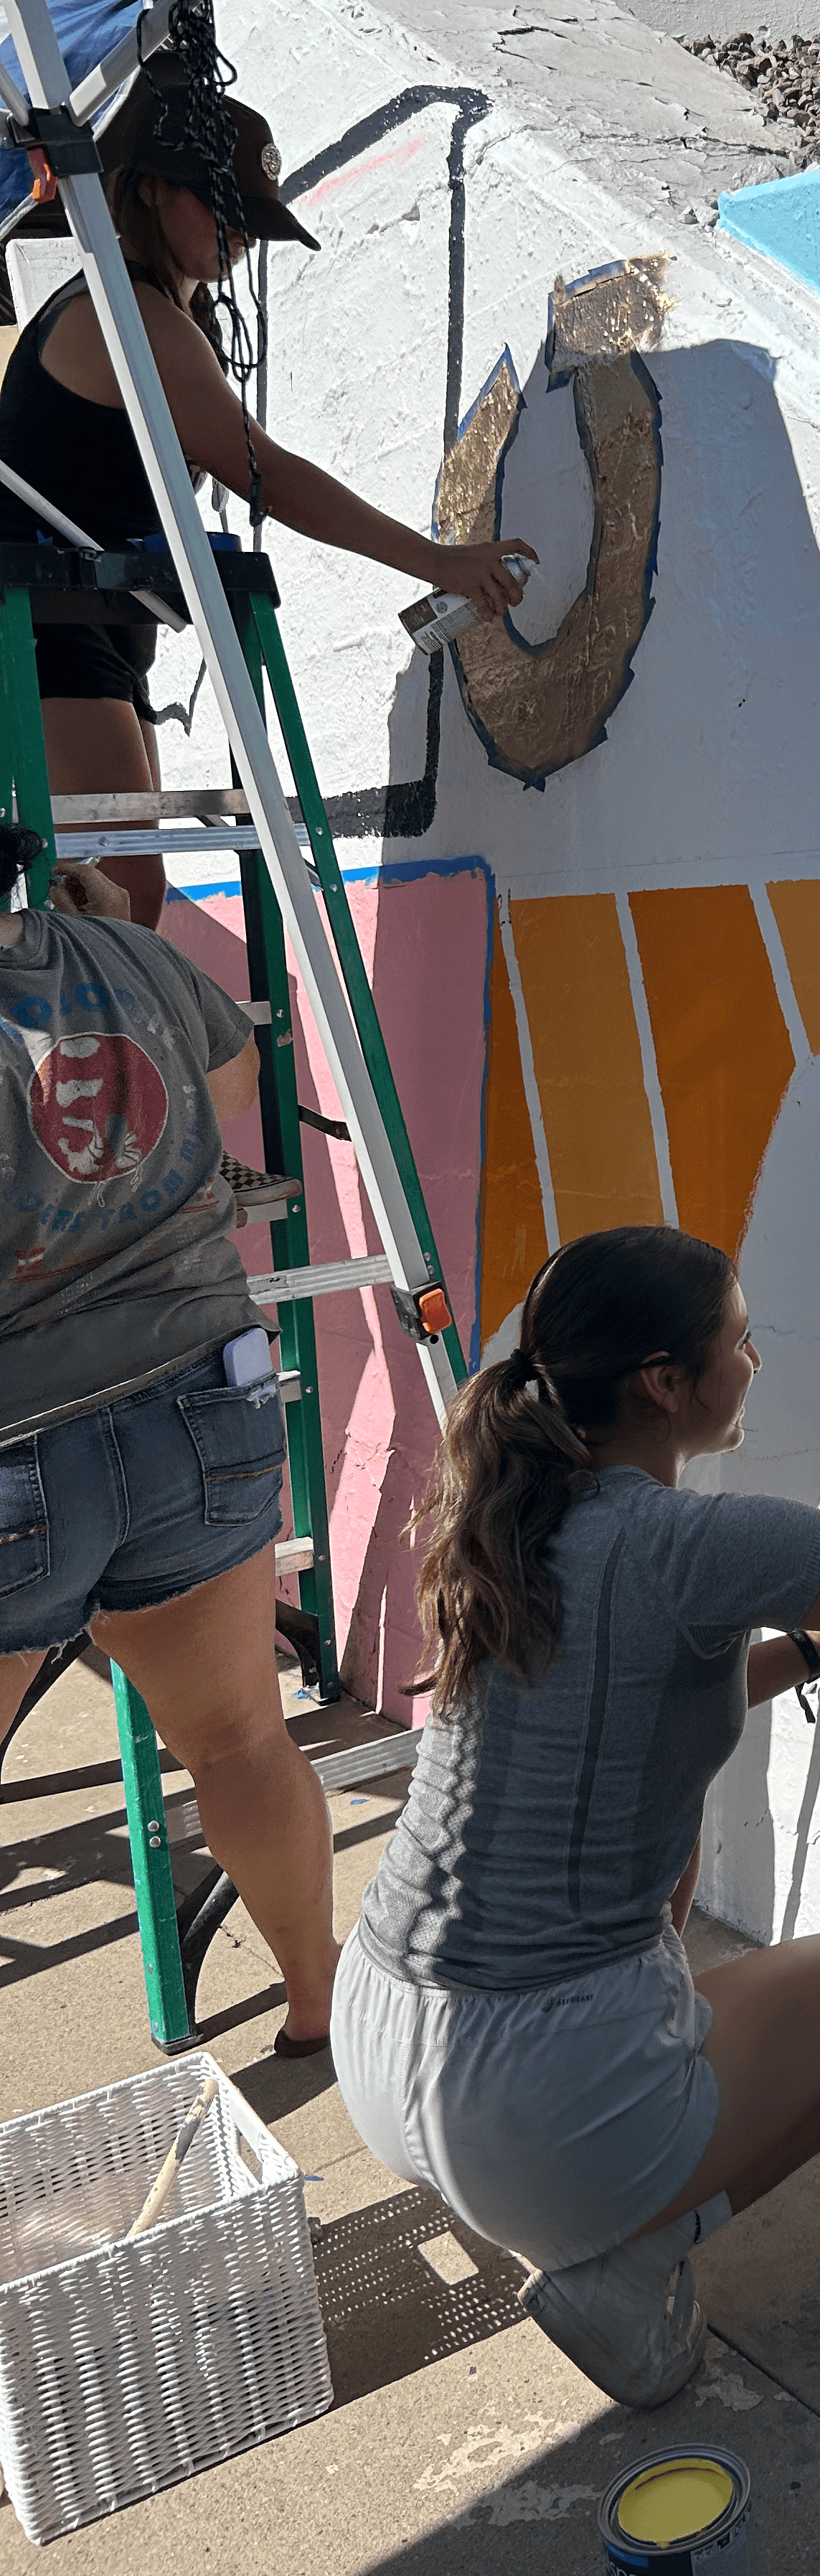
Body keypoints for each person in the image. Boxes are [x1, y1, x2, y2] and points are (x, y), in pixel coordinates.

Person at [331, 1226, 820, 2407]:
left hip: (388, 2041)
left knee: (677, 1918)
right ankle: (625, 2263)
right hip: (528, 2100)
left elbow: (607, 1706)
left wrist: (797, 1654)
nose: (757, 1360)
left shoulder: (508, 1509)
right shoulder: (694, 1539)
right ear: (667, 1382)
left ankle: (598, 2201)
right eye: (741, 1340)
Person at [0, 52, 532, 927]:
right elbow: (271, 479)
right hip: (46, 627)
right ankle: (85, 1068)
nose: (243, 238)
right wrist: (438, 560)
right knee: (112, 903)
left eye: (255, 223)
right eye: (226, 210)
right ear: (147, 192)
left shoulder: (158, 312)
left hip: (90, 626)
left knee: (116, 899)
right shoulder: (127, 313)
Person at [0, 838, 338, 2050]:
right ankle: (316, 1999)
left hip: (13, 1444)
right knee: (243, 1738)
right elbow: (236, 1086)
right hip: (206, 1400)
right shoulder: (122, 950)